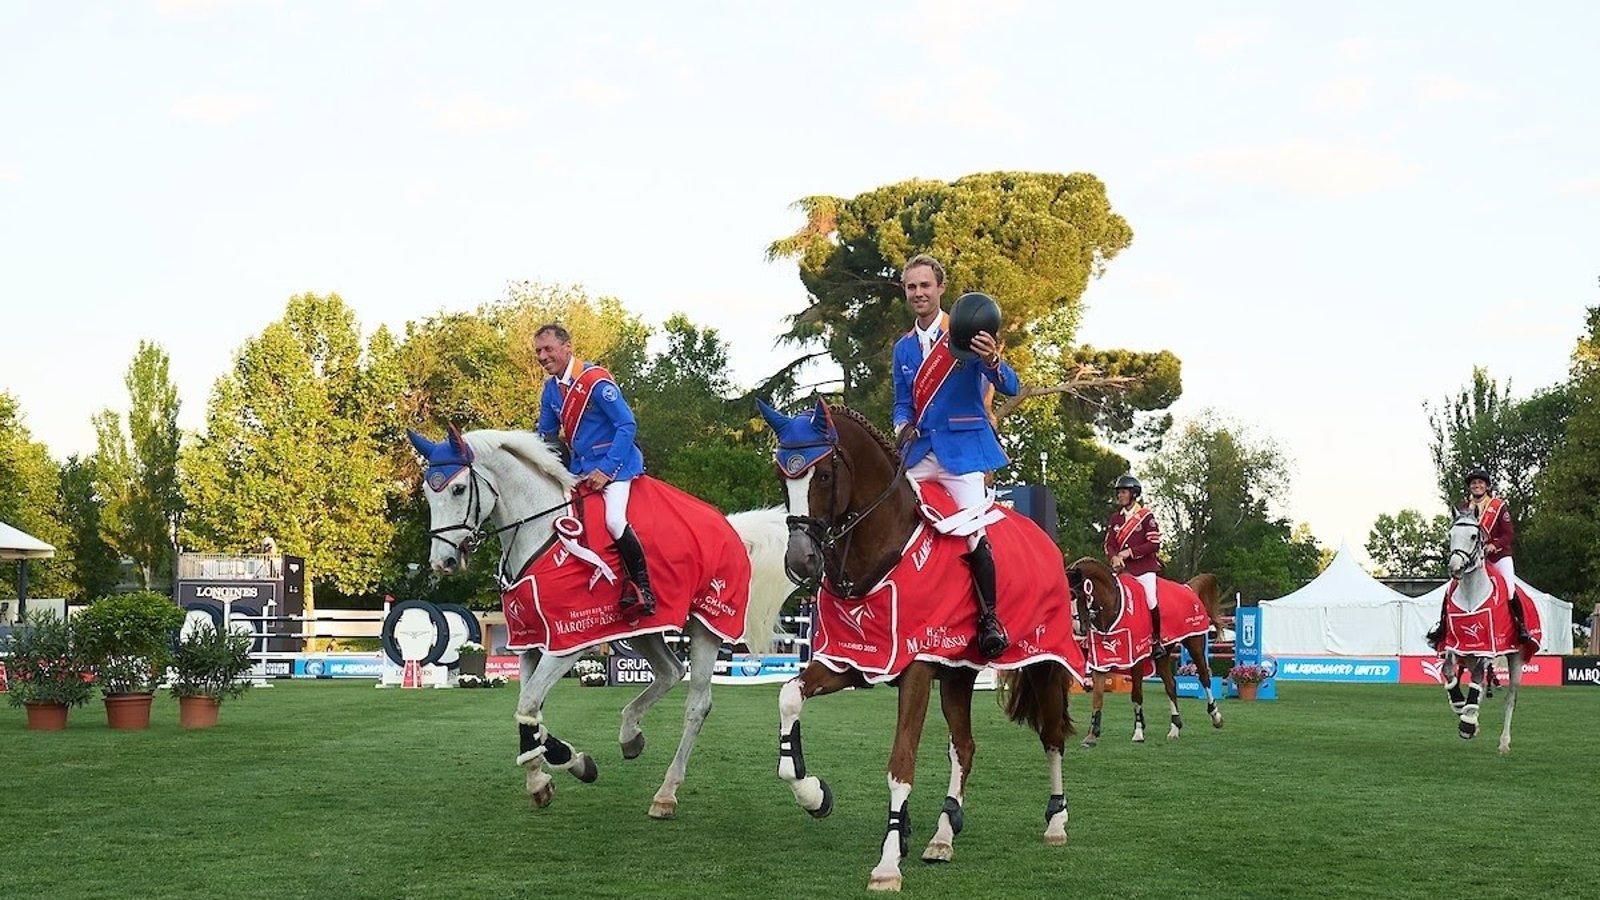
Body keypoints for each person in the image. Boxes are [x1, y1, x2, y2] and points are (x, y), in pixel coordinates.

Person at [891, 254, 1019, 659]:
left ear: (940, 288)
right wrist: (900, 425)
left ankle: (990, 618)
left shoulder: (964, 330)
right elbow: (901, 403)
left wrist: (992, 359)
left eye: (925, 286)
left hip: (962, 452)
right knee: (887, 512)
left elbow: (1011, 386)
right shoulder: (903, 349)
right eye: (911, 287)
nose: (918, 294)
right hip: (922, 450)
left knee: (973, 532)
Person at [534, 324, 654, 616]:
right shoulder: (551, 390)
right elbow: (546, 435)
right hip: (580, 468)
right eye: (538, 351)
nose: (542, 356)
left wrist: (608, 470)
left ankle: (642, 587)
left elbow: (627, 425)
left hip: (617, 465)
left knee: (613, 521)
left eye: (548, 349)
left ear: (567, 347)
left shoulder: (596, 381)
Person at [1428, 465, 1533, 647]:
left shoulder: (1498, 506)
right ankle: (1442, 628)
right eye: (1474, 483)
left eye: (1480, 483)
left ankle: (1521, 627)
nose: (1477, 486)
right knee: (1450, 590)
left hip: (1498, 557)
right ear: (1470, 487)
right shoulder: (1463, 507)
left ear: (1486, 486)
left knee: (1508, 589)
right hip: (1473, 559)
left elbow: (1508, 534)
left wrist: (1494, 544)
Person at [1105, 475, 1167, 659]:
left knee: (1150, 599)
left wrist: (1129, 552)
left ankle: (1156, 640)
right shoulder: (1115, 518)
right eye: (1119, 492)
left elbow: (1154, 544)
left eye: (1123, 492)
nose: (1120, 496)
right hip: (1122, 569)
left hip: (1143, 568)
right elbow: (1109, 543)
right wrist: (1114, 556)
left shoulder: (1146, 517)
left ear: (1133, 494)